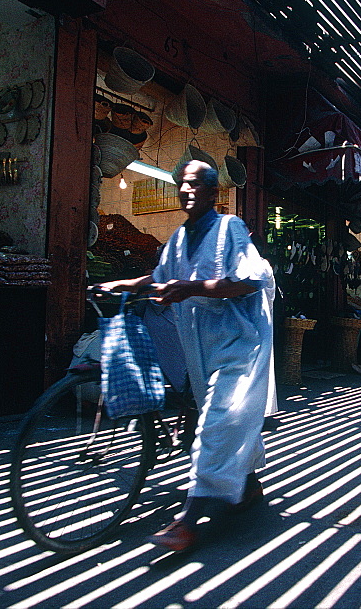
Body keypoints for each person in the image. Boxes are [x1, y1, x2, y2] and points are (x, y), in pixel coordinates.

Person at [98, 160, 275, 551]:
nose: (187, 190)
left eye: (196, 185)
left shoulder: (229, 229)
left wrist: (190, 288)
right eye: (182, 184)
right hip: (201, 346)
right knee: (225, 422)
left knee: (215, 423)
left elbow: (247, 281)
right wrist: (124, 283)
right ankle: (246, 488)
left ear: (214, 194)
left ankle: (188, 522)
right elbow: (159, 279)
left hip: (240, 344)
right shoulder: (178, 238)